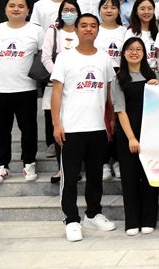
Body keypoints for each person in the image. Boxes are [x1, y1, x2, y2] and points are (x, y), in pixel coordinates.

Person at [50, 13, 117, 242]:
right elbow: (56, 92)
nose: (88, 29)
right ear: (76, 29)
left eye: (93, 26)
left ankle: (93, 214)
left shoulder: (104, 58)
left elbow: (109, 93)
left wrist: (111, 121)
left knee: (96, 176)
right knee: (70, 177)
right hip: (71, 128)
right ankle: (71, 219)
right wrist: (56, 124)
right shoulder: (65, 57)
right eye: (84, 25)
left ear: (98, 30)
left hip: (97, 128)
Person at [0, 0, 43, 184]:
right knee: (1, 130)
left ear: (28, 10)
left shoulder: (36, 31)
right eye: (12, 5)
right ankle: (2, 166)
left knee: (28, 129)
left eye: (21, 6)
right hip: (0, 89)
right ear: (5, 9)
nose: (16, 9)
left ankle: (29, 163)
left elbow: (43, 56)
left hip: (26, 89)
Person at [112, 38, 159, 236]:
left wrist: (157, 87)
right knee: (130, 177)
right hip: (128, 134)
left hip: (151, 133)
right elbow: (120, 110)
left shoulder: (152, 75)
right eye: (130, 49)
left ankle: (149, 220)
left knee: (149, 177)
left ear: (144, 53)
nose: (134, 52)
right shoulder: (119, 78)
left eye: (138, 49)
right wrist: (132, 138)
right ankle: (132, 221)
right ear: (124, 53)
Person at [42, 0, 81, 183]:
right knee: (60, 126)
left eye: (73, 10)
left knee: (78, 126)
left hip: (79, 86)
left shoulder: (82, 29)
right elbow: (45, 57)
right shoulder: (54, 30)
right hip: (59, 85)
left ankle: (77, 167)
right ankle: (61, 168)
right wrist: (59, 76)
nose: (69, 13)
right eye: (66, 10)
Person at [96, 0, 126, 181]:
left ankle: (118, 161)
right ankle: (104, 162)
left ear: (118, 11)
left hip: (119, 78)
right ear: (99, 10)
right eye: (105, 7)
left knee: (118, 120)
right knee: (102, 120)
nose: (109, 10)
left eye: (113, 7)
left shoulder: (125, 31)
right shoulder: (94, 29)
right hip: (98, 79)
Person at [124, 0, 159, 71]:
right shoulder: (131, 33)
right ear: (136, 11)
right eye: (142, 9)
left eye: (150, 9)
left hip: (154, 73)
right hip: (137, 71)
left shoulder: (158, 32)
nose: (146, 12)